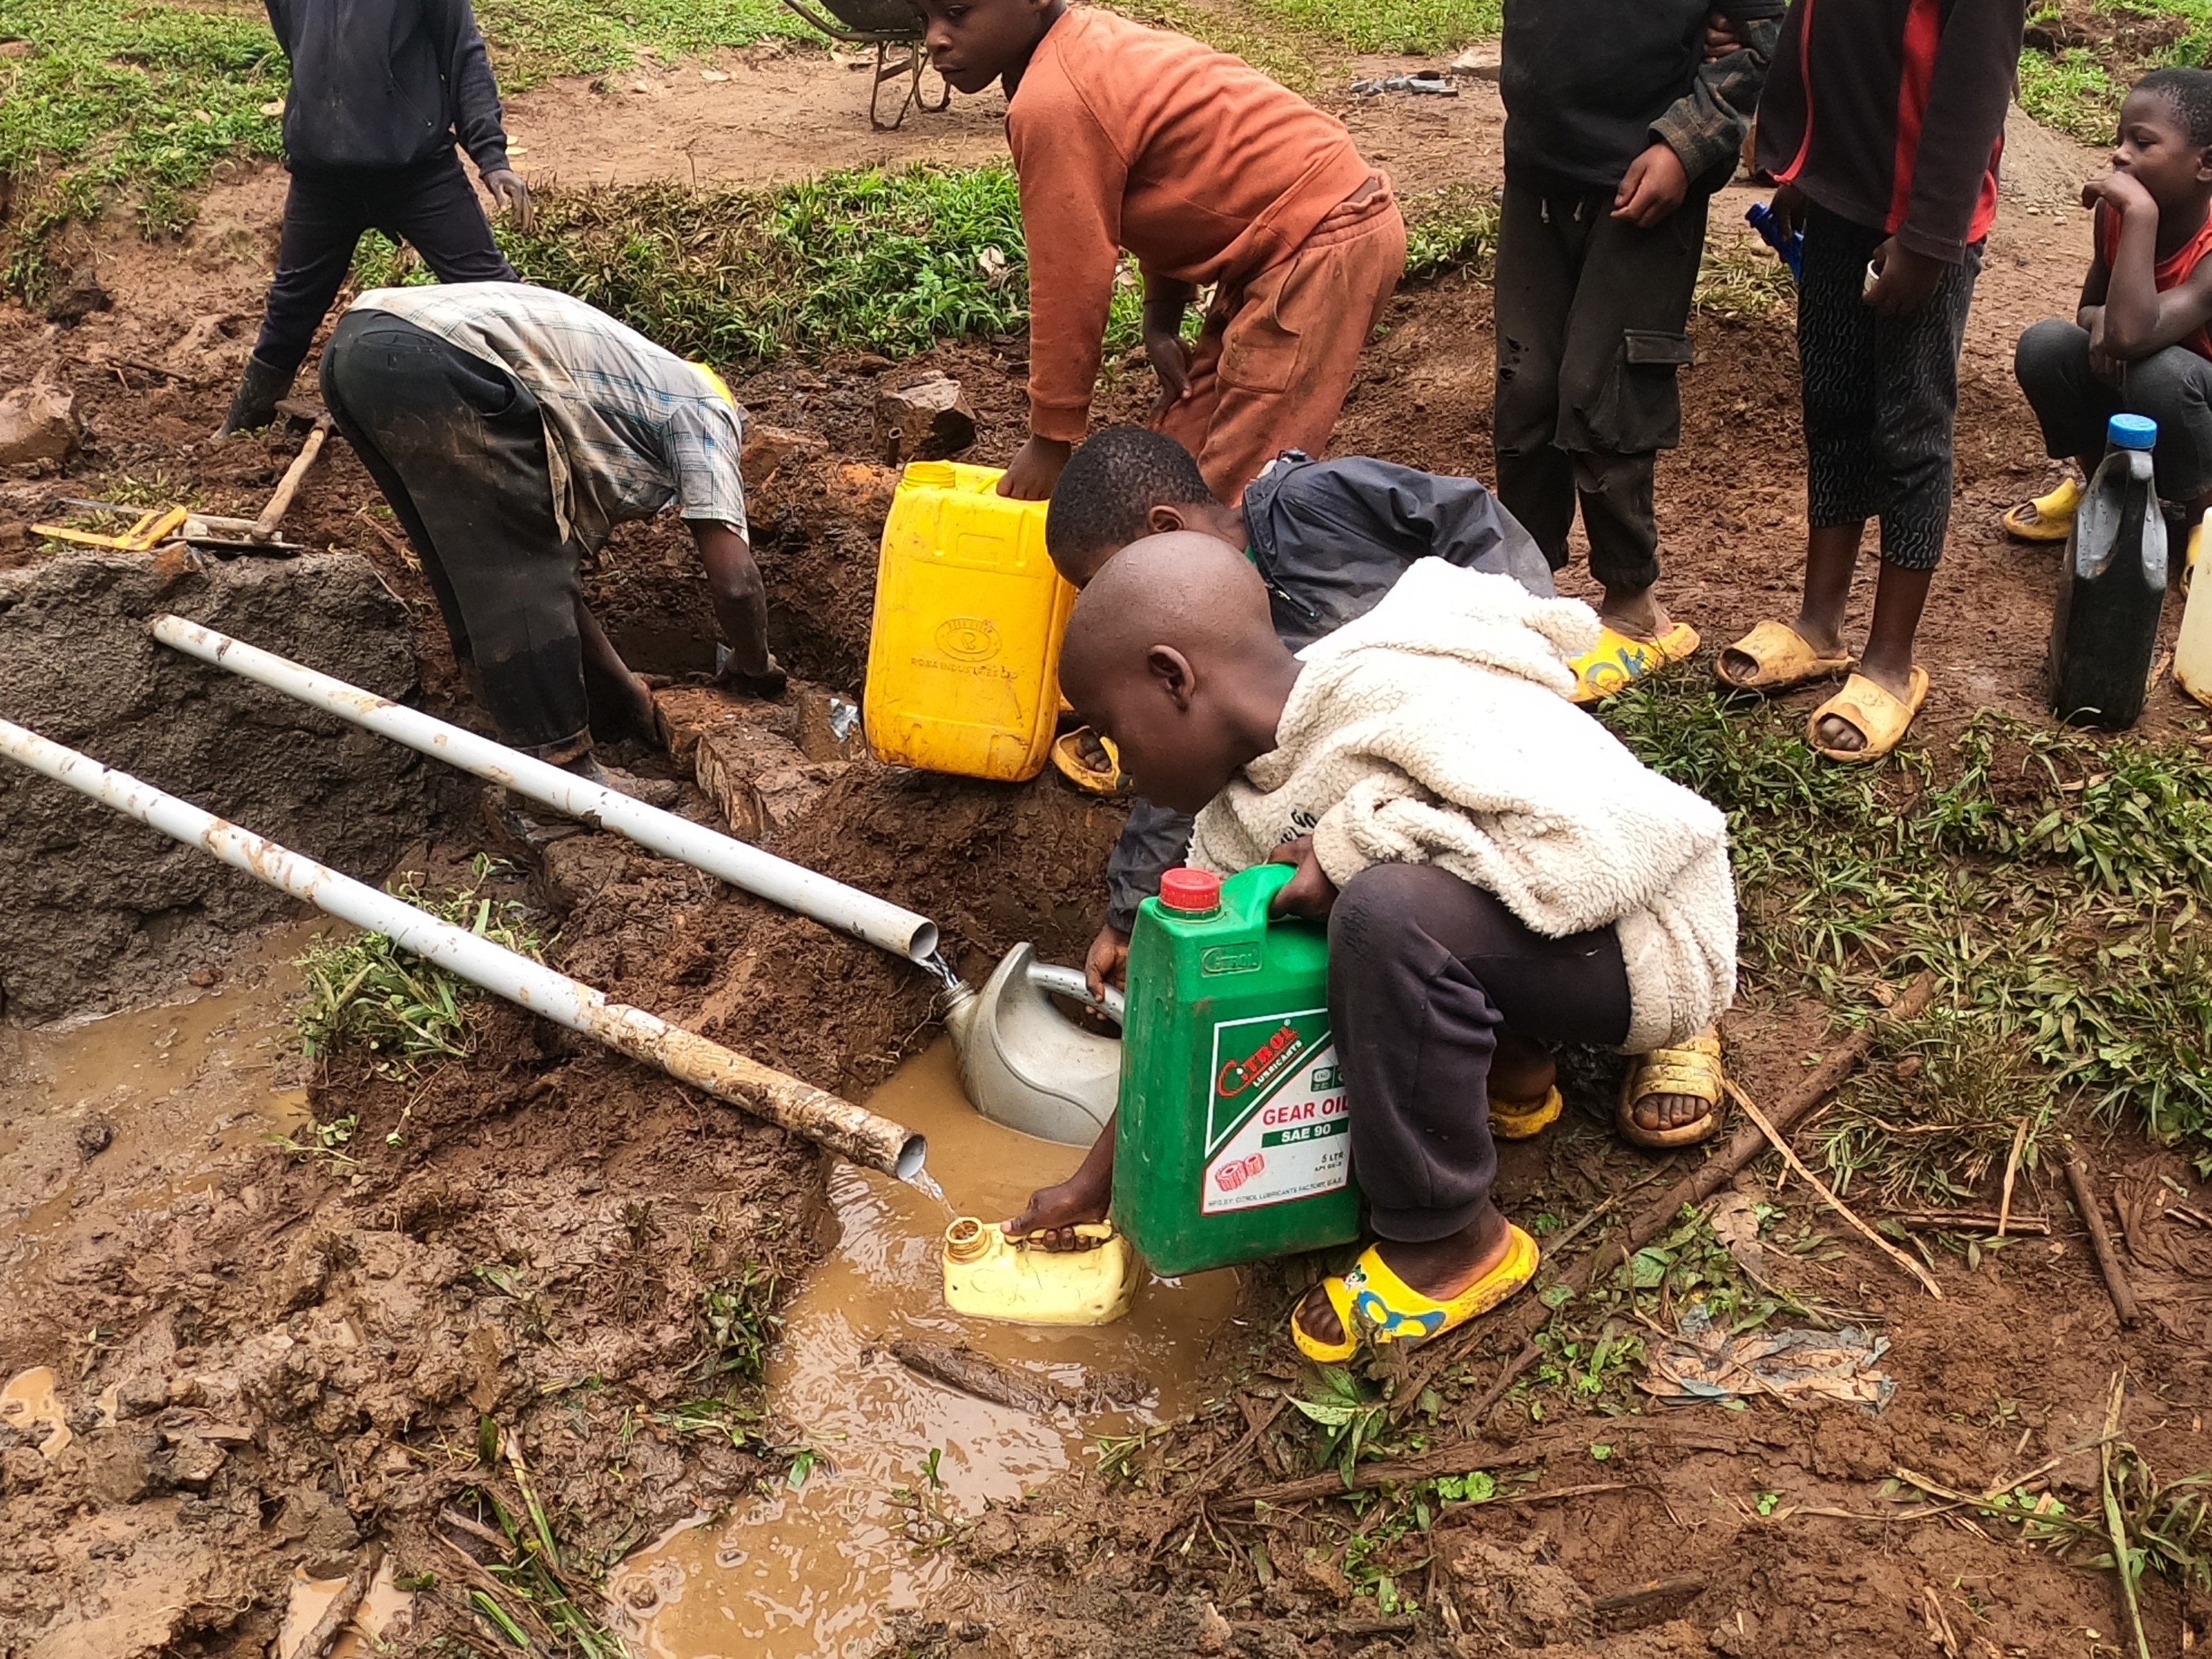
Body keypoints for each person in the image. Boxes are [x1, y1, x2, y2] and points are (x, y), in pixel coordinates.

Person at [1007, 534, 1737, 1358]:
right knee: (1356, 913)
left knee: (1382, 910)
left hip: (1651, 943)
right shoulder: (1231, 817)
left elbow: (1590, 853)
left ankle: (1450, 1241)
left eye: (1112, 731)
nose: (1119, 766)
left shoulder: (1398, 691)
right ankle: (1517, 1069)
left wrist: (1350, 845)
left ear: (1172, 678)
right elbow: (1182, 1010)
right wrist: (1090, 1186)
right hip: (1536, 950)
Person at [912, 0, 1404, 505]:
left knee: (1235, 501)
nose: (936, 38)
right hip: (1288, 237)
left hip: (1318, 246)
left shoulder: (1055, 99)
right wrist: (1161, 319)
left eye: (956, 11)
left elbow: (1069, 279)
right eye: (922, 19)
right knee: (1180, 464)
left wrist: (1050, 438)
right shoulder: (1080, 45)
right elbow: (1175, 181)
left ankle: (1242, 580)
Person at [320, 282, 783, 785]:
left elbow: (548, 575)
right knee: (516, 569)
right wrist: (754, 666)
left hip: (359, 348)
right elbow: (736, 584)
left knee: (467, 558)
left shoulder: (619, 391)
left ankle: (502, 719)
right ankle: (561, 782)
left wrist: (627, 693)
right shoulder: (707, 411)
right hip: (438, 356)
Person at [1721, 0, 2023, 761]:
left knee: (1908, 428)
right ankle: (1817, 626)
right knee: (1833, 403)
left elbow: (1973, 88)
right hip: (1835, 195)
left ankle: (1888, 662)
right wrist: (1799, 166)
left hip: (1920, 222)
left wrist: (1929, 236)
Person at [1492, 0, 1782, 703]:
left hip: (1642, 183)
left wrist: (1687, 144)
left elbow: (1768, 43)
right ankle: (1528, 593)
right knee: (1526, 388)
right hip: (1537, 173)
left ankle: (1633, 607)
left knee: (1605, 388)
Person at [223, 0, 535, 435]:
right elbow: (296, 44)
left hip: (418, 171)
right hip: (323, 179)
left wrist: (491, 156)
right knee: (291, 307)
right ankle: (244, 424)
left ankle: (552, 408)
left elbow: (463, 52)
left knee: (492, 292)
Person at [2011, 69, 2212, 575]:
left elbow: (2129, 336)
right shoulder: (2114, 215)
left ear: (2205, 164)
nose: (2120, 154)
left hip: (2197, 406)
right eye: (2119, 138)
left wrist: (2141, 214)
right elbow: (2090, 313)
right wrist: (2104, 320)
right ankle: (2108, 494)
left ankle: (2201, 522)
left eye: (2142, 143)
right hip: (2150, 385)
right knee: (2047, 345)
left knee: (2160, 371)